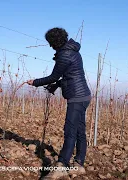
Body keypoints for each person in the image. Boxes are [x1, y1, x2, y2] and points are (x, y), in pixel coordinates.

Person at [27, 27, 91, 179]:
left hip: (76, 98)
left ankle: (62, 165)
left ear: (54, 42)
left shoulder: (64, 55)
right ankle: (79, 164)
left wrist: (35, 82)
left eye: (50, 43)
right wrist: (56, 86)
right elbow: (70, 75)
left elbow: (53, 76)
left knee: (70, 131)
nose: (50, 46)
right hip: (84, 96)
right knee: (79, 131)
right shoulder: (74, 51)